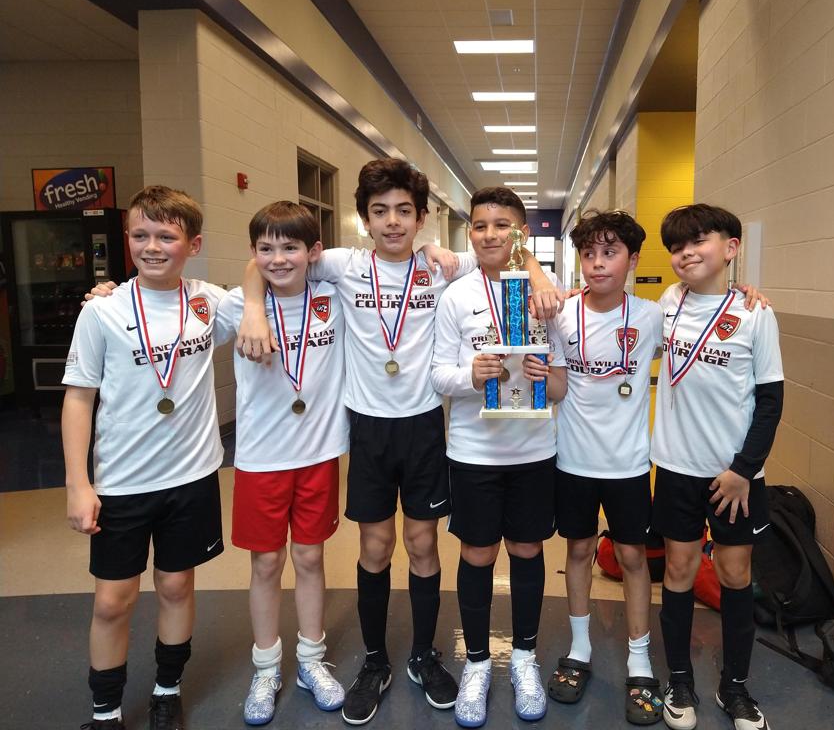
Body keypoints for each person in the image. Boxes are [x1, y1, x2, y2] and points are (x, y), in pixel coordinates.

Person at [235, 159, 560, 726]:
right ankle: (375, 662)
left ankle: (422, 657)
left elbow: (507, 248)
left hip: (424, 425)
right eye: (380, 211)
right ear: (363, 219)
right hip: (367, 426)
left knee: (423, 543)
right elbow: (264, 259)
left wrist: (537, 272)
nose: (392, 222)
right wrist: (254, 307)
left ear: (422, 217)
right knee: (376, 545)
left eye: (404, 211)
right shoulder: (342, 264)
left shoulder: (442, 266)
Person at [63, 185, 230, 730]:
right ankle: (105, 712)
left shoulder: (209, 301)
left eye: (166, 236)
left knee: (177, 586)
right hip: (122, 481)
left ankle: (166, 690)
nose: (152, 247)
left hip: (192, 476)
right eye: (140, 235)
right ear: (127, 239)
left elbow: (272, 279)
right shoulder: (103, 311)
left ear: (193, 244)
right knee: (113, 600)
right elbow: (79, 398)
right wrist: (78, 483)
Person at [431, 186, 568, 728]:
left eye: (502, 224)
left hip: (534, 450)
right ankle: (478, 663)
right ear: (470, 232)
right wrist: (471, 375)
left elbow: (560, 383)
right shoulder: (456, 297)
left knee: (527, 548)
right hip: (474, 451)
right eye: (480, 225)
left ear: (521, 233)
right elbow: (438, 375)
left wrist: (544, 376)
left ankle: (526, 659)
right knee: (478, 553)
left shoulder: (544, 295)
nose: (490, 235)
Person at [213, 201, 347, 725]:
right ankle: (266, 668)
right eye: (265, 249)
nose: (278, 258)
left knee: (310, 558)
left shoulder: (333, 296)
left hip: (318, 454)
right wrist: (107, 292)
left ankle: (311, 660)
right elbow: (173, 305)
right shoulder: (233, 305)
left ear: (313, 252)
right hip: (261, 459)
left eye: (290, 247)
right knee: (266, 563)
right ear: (253, 252)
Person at [650, 204, 784, 730]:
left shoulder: (756, 314)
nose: (685, 253)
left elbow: (770, 402)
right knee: (679, 571)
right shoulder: (669, 302)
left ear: (731, 248)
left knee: (734, 574)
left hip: (735, 476)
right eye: (676, 247)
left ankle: (735, 687)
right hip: (677, 468)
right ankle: (680, 681)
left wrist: (744, 470)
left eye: (697, 241)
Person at [544, 209, 666, 725]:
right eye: (589, 253)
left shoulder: (654, 316)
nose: (597, 264)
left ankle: (640, 660)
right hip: (573, 459)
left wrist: (746, 291)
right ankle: (580, 649)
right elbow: (556, 390)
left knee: (633, 557)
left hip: (629, 464)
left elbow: (703, 312)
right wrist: (539, 372)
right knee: (578, 551)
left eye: (610, 253)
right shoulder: (561, 315)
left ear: (632, 259)